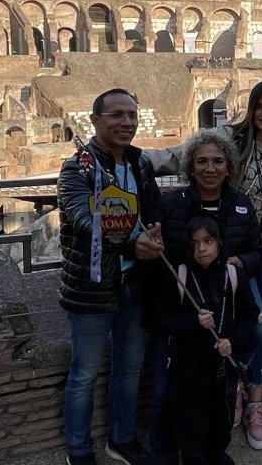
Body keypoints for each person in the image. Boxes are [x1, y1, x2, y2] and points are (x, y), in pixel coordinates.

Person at [146, 79, 262, 451]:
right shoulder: (230, 138)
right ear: (250, 108)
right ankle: (229, 385)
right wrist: (132, 158)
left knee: (257, 325)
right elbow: (182, 154)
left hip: (260, 249)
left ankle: (250, 397)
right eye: (259, 105)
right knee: (237, 324)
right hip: (221, 246)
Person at [57, 88, 163, 465]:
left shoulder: (140, 162)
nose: (126, 122)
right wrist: (131, 244)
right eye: (116, 115)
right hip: (91, 286)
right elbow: (83, 220)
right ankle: (79, 450)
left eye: (132, 115)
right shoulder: (77, 168)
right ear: (95, 120)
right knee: (84, 373)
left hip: (133, 284)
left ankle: (121, 438)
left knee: (130, 368)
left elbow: (152, 209)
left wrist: (156, 231)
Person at [147, 130, 262, 457]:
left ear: (228, 166)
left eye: (217, 161)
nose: (210, 168)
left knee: (217, 393)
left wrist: (238, 263)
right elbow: (159, 257)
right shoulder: (170, 205)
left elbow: (256, 252)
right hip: (184, 316)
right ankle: (165, 455)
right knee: (164, 392)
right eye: (201, 161)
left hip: (223, 315)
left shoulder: (241, 205)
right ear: (190, 167)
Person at [158, 214, 260, 465]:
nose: (201, 248)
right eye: (194, 243)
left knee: (221, 420)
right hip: (187, 369)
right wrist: (193, 321)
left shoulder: (234, 275)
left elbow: (250, 315)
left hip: (222, 367)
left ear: (219, 242)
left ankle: (216, 455)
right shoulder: (179, 276)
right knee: (190, 424)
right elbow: (163, 321)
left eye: (208, 241)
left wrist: (233, 341)